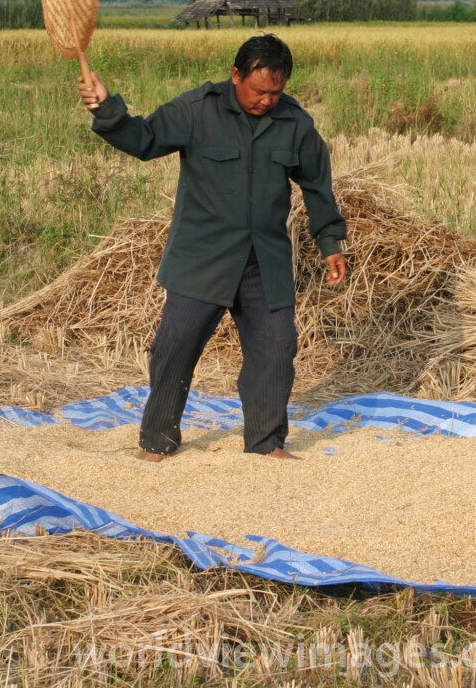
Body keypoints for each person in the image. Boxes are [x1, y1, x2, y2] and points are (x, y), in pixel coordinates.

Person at [78, 34, 348, 461]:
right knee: (175, 346)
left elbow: (317, 185)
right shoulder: (196, 111)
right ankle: (158, 440)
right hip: (202, 257)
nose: (267, 101)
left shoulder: (295, 123)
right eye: (259, 91)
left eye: (276, 92)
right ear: (236, 75)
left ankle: (266, 442)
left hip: (265, 260)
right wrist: (107, 109)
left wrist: (329, 241)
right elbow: (143, 139)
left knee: (276, 350)